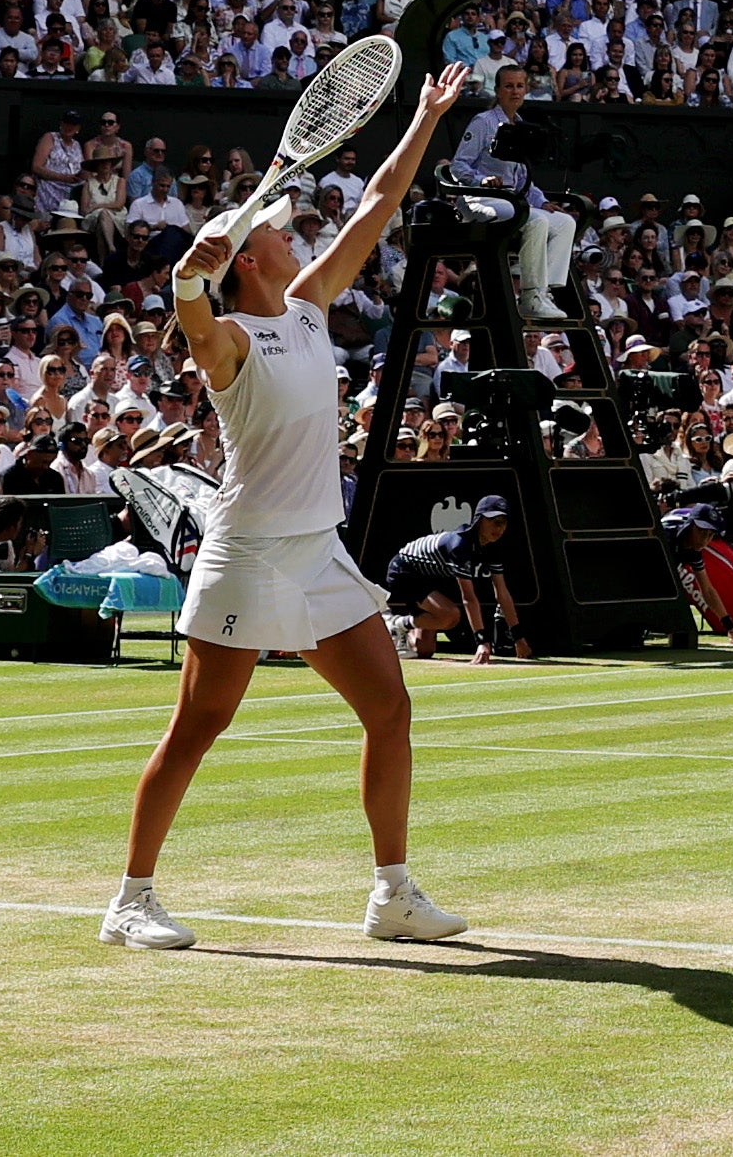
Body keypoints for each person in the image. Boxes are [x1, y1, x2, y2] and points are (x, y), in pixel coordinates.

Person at [106, 63, 477, 958]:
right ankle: (129, 898)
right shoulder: (228, 336)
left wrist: (423, 118)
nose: (289, 231)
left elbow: (376, 204)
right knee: (199, 725)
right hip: (249, 552)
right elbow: (193, 326)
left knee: (389, 708)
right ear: (246, 261)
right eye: (273, 230)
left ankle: (391, 893)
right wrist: (186, 285)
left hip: (319, 551)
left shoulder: (308, 308)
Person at [382, 498, 524, 661]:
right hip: (404, 572)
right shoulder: (459, 545)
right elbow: (468, 598)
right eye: (494, 521)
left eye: (503, 523)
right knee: (450, 616)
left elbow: (502, 594)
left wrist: (518, 638)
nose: (499, 528)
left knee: (424, 651)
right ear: (479, 520)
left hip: (430, 577)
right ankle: (396, 624)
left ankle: (400, 625)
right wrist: (482, 642)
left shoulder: (493, 548)